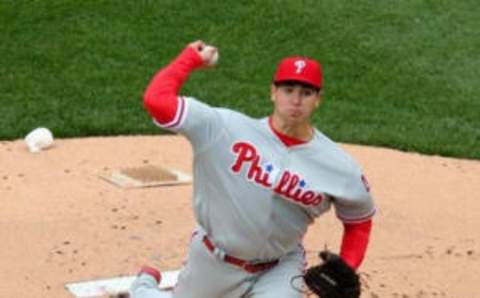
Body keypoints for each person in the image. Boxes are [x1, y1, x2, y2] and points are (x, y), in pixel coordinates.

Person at [129, 41, 375, 298]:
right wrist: (189, 58)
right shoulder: (223, 129)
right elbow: (156, 100)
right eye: (288, 89)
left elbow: (359, 220)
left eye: (306, 93)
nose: (296, 99)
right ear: (273, 92)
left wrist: (348, 265)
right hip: (213, 261)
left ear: (318, 100)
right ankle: (144, 288)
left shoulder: (338, 166)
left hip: (279, 268)